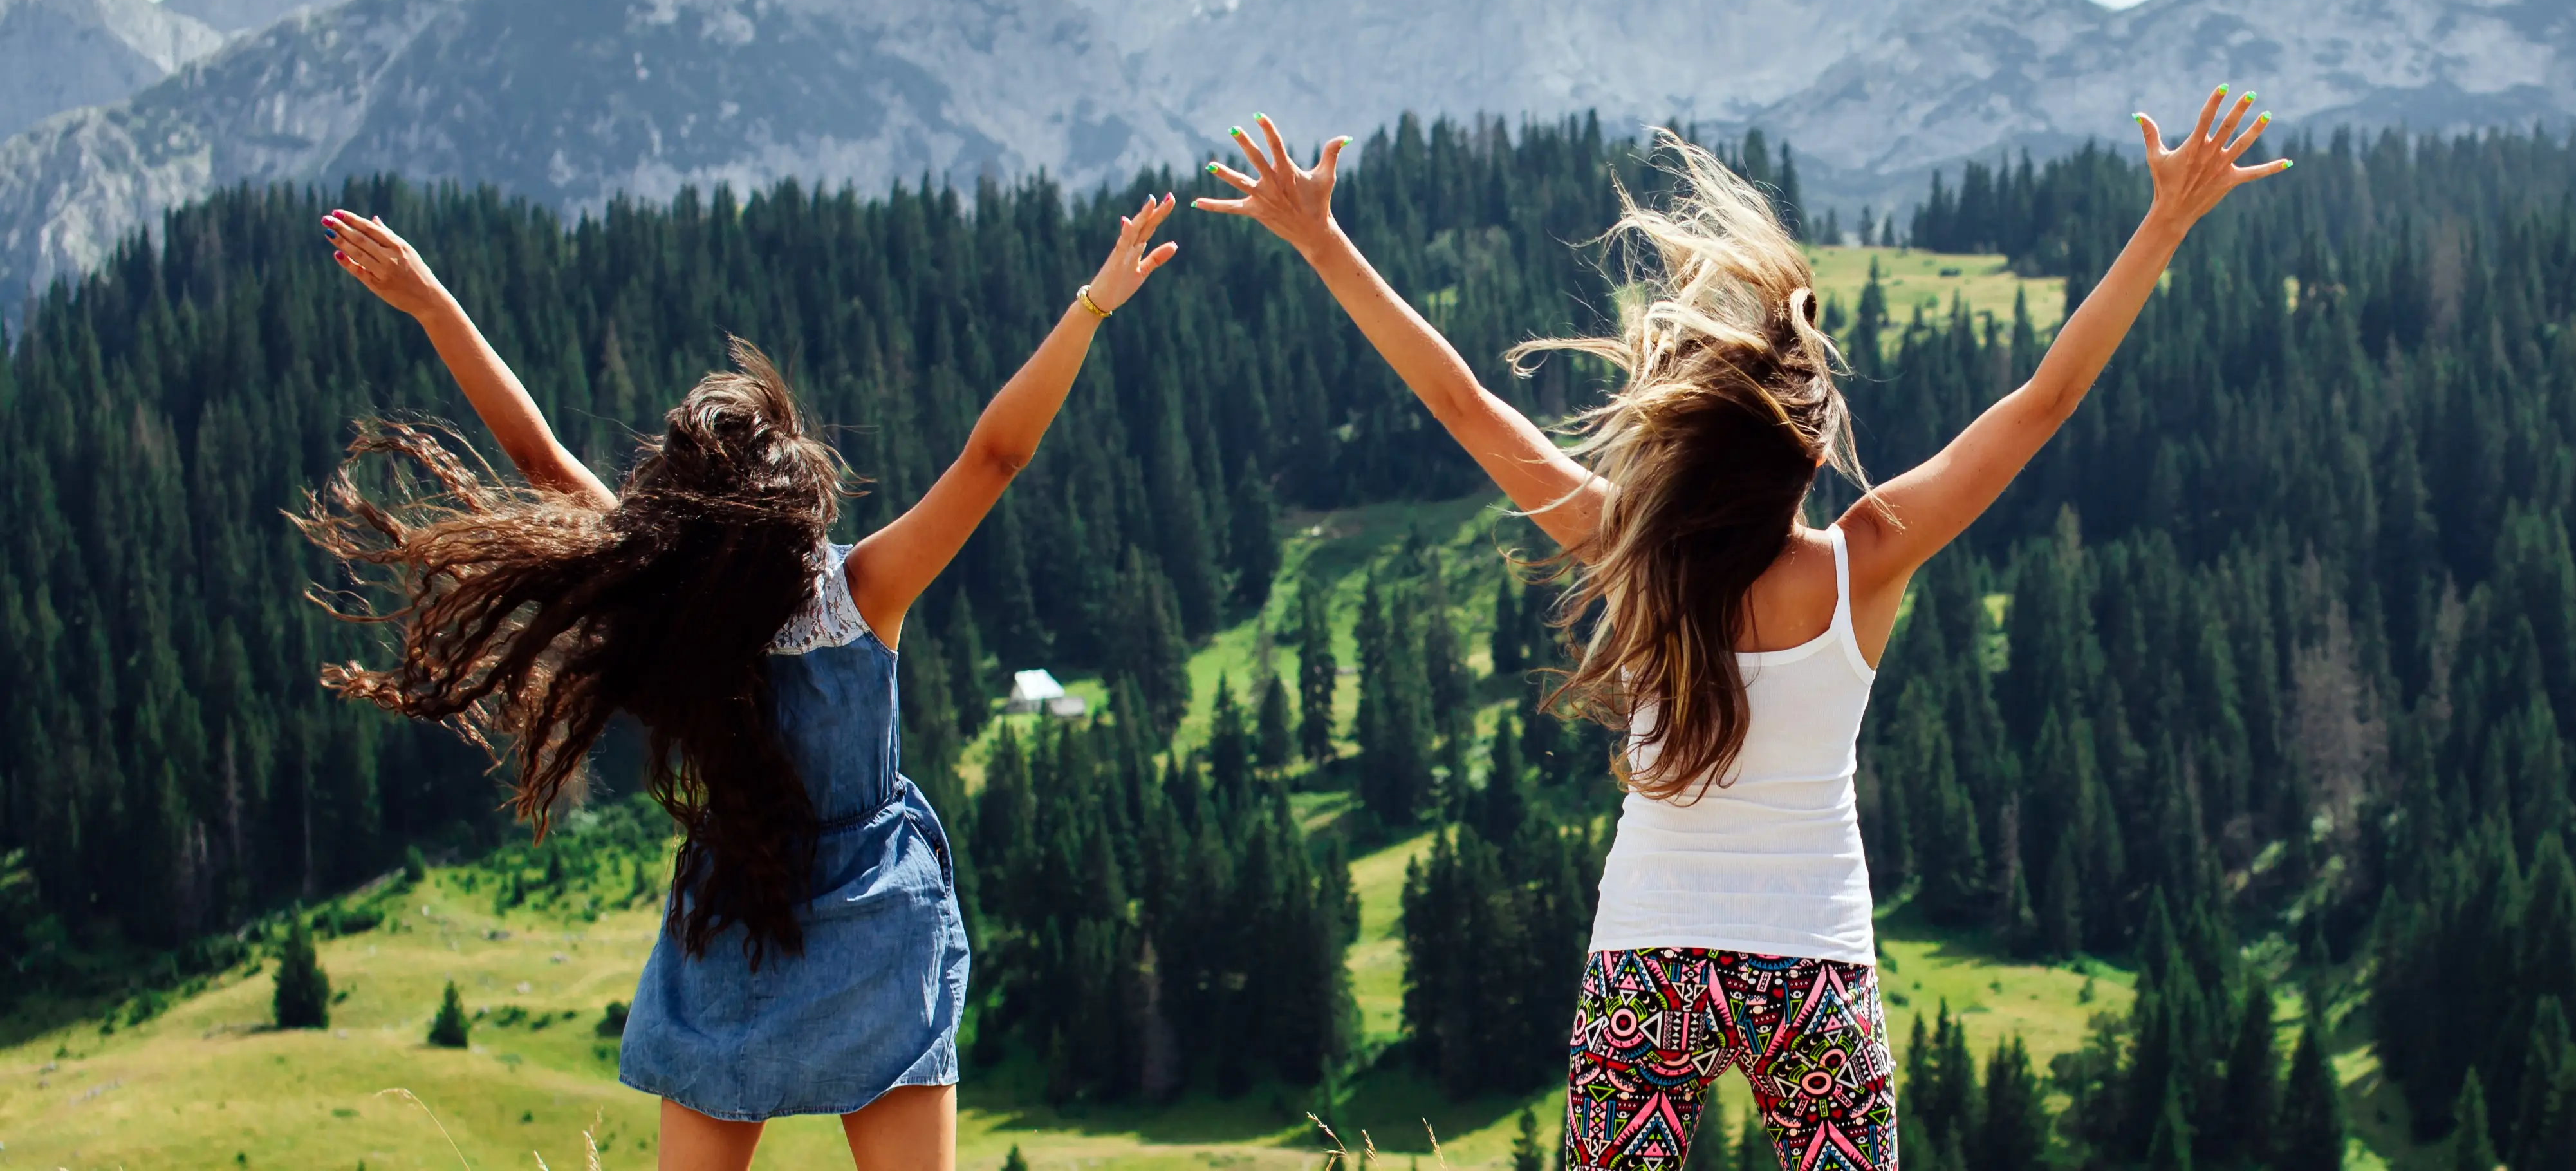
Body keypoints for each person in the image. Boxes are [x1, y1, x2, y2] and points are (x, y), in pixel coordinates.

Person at [1198, 90, 2285, 1171]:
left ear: (1691, 452)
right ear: (1811, 453)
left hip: (1651, 955)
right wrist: (2165, 222)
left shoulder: (1637, 551)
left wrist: (1323, 239)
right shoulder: (1866, 558)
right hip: (1810, 962)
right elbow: (2045, 399)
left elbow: (1465, 403)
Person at [296, 195, 1183, 1171]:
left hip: (738, 911)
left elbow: (538, 456)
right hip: (876, 914)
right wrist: (1092, 305)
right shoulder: (861, 592)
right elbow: (996, 454)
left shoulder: (666, 591)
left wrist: (432, 304)